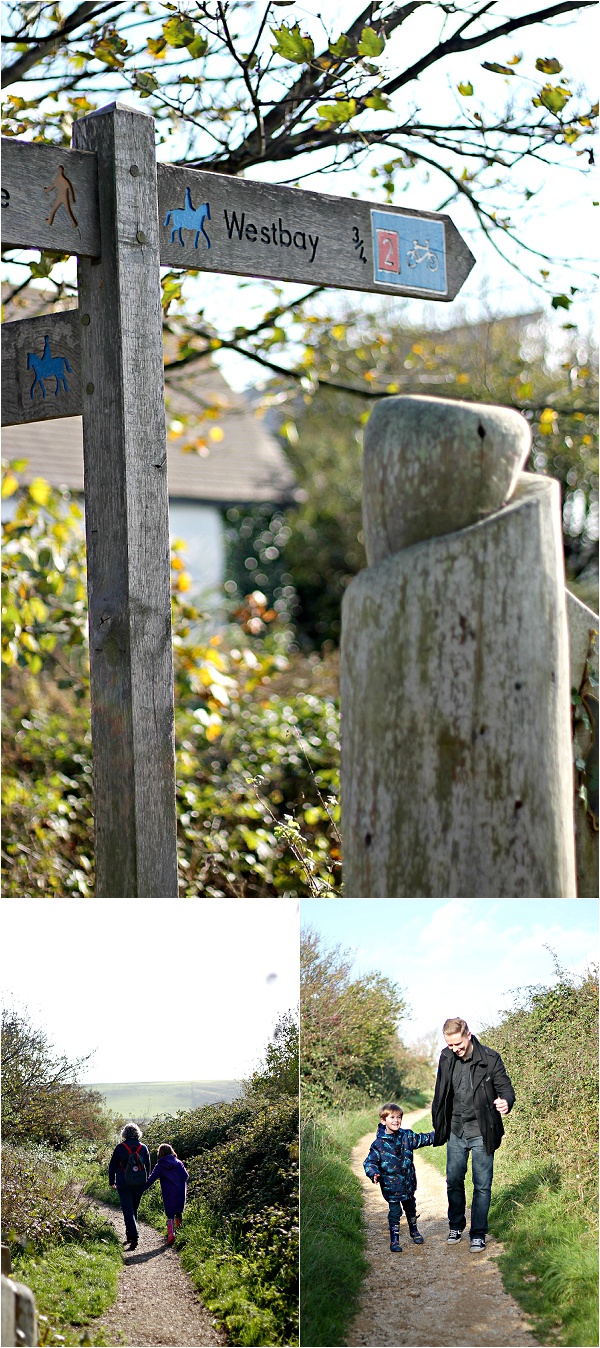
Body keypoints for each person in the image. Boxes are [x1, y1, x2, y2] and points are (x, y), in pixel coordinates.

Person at [432, 1016, 515, 1252]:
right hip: (456, 1129)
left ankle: (478, 1234)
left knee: (482, 1185)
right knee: (454, 1181)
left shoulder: (490, 1058)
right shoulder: (446, 1057)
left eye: (458, 1044)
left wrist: (506, 1102)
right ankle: (456, 1226)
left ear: (468, 1035)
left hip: (482, 1130)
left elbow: (506, 1088)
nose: (455, 1049)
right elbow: (441, 1092)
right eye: (450, 1044)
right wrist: (439, 1123)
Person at [363, 1102, 436, 1251]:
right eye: (392, 1117)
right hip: (392, 1188)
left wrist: (441, 1132)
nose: (396, 1120)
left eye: (399, 1117)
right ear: (383, 1120)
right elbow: (369, 1162)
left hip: (408, 1184)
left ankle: (414, 1230)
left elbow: (424, 1138)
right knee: (395, 1213)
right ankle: (394, 1241)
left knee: (411, 1208)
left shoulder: (407, 1136)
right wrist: (373, 1173)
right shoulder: (378, 1144)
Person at [108, 1122, 151, 1251]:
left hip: (123, 1183)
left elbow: (112, 1166)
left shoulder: (120, 1147)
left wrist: (111, 1181)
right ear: (138, 1133)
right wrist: (146, 1181)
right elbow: (148, 1166)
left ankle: (133, 1236)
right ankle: (131, 1233)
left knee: (127, 1209)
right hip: (139, 1183)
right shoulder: (143, 1147)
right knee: (134, 1208)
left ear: (124, 1133)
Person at [144, 1142, 189, 1246]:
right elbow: (185, 1176)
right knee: (179, 1212)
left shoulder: (160, 1166)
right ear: (171, 1151)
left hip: (168, 1191)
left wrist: (142, 1189)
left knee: (170, 1214)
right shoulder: (178, 1163)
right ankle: (180, 1232)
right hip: (180, 1190)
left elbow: (151, 1179)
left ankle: (171, 1235)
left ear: (160, 1153)